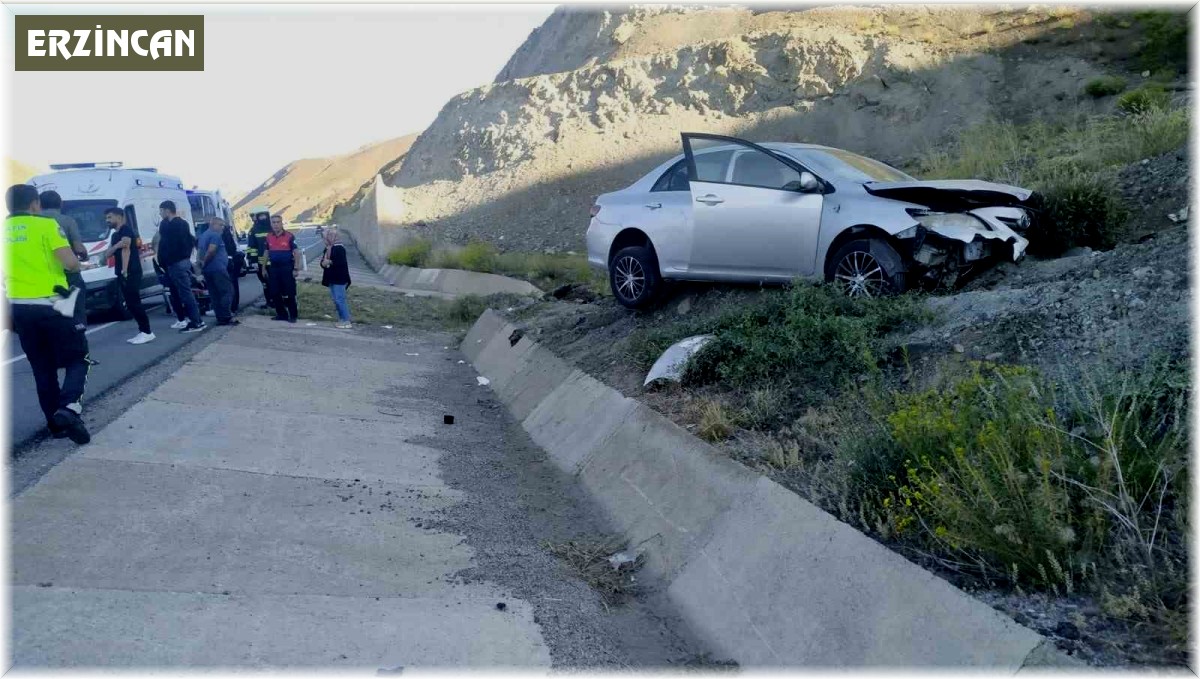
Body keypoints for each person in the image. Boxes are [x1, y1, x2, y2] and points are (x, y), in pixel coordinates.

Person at [5, 184, 91, 444]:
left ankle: (55, 426)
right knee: (79, 358)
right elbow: (70, 262)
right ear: (34, 204)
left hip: (19, 307)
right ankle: (68, 409)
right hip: (53, 304)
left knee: (42, 368)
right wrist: (76, 262)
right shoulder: (44, 226)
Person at [101, 207, 155, 344]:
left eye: (110, 217)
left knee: (134, 302)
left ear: (119, 217)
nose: (107, 220)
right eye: (106, 218)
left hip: (131, 271)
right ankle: (143, 330)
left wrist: (125, 270)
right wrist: (116, 246)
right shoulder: (114, 236)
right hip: (121, 272)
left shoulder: (126, 230)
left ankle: (147, 332)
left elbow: (126, 250)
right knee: (130, 303)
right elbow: (107, 254)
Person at [38, 190, 89, 329]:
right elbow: (78, 248)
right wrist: (84, 256)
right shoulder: (67, 221)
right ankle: (78, 333)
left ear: (39, 204)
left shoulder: (34, 223)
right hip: (68, 273)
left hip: (43, 275)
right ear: (61, 204)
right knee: (76, 307)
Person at [157, 200, 206, 333]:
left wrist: (164, 261)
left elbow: (166, 245)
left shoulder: (170, 226)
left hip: (176, 263)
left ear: (167, 210)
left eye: (161, 211)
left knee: (185, 293)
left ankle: (196, 322)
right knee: (185, 292)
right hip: (183, 261)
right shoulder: (183, 224)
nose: (160, 214)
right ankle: (195, 320)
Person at [197, 216, 238, 326]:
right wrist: (205, 262)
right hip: (218, 269)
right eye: (221, 225)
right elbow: (211, 250)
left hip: (208, 270)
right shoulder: (215, 235)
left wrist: (201, 267)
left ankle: (220, 318)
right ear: (213, 224)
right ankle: (226, 316)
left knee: (215, 295)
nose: (223, 228)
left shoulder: (203, 235)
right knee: (227, 292)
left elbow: (200, 252)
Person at [265, 214, 301, 323]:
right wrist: (263, 267)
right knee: (274, 292)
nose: (276, 224)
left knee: (289, 292)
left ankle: (293, 315)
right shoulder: (268, 236)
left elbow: (296, 253)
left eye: (278, 222)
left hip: (287, 268)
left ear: (281, 223)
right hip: (274, 268)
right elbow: (266, 252)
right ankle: (281, 314)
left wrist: (296, 268)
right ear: (271, 224)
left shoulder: (289, 236)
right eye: (273, 222)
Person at [319, 226, 352, 328]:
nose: (324, 239)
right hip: (332, 278)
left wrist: (329, 261)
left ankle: (346, 321)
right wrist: (323, 263)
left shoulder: (339, 248)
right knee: (336, 299)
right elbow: (323, 261)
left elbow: (341, 262)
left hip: (339, 278)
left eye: (325, 237)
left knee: (339, 299)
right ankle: (341, 319)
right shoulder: (329, 248)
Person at [247, 210, 274, 308]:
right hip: (261, 263)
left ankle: (278, 302)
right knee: (265, 284)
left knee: (275, 283)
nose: (262, 218)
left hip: (275, 262)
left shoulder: (273, 227)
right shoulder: (254, 230)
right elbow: (252, 247)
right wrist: (253, 261)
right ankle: (270, 302)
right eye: (260, 216)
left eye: (264, 216)